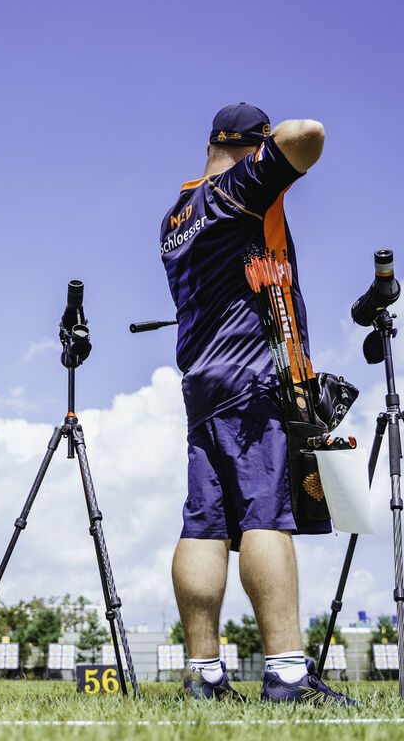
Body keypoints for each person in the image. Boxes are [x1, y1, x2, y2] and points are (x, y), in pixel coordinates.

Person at [158, 103, 356, 706]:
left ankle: (203, 676)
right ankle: (289, 676)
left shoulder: (176, 214)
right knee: (268, 517)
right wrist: (271, 153)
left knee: (204, 525)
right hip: (254, 376)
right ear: (250, 145)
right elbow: (308, 135)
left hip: (203, 382)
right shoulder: (238, 188)